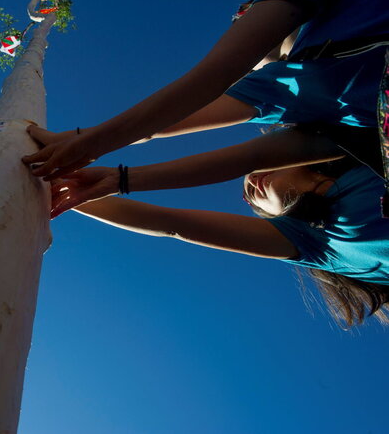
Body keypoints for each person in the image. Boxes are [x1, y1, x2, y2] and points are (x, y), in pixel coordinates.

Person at [22, 0, 389, 180]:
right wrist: (88, 143)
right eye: (244, 16)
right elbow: (183, 122)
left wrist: (94, 142)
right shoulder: (287, 88)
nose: (246, 25)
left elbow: (212, 77)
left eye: (254, 13)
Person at [50, 125, 389, 326]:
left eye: (254, 173)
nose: (251, 183)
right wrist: (70, 194)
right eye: (253, 202)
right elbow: (172, 223)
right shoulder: (322, 245)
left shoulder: (366, 146)